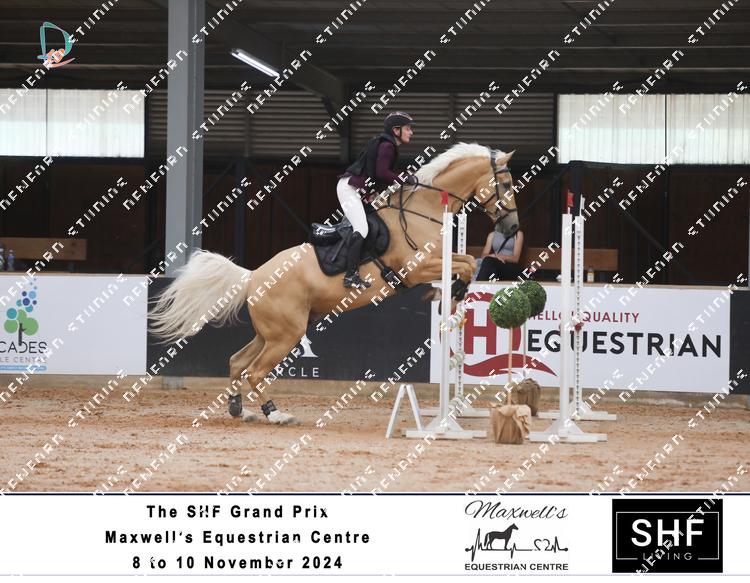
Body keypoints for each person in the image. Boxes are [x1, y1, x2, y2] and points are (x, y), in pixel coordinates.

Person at [336, 111, 418, 289]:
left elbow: (380, 174)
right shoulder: (387, 146)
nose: (411, 132)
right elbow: (382, 173)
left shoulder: (386, 144)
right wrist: (403, 178)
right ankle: (350, 275)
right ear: (396, 130)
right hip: (350, 189)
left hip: (357, 189)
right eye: (407, 129)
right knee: (362, 228)